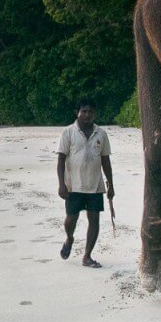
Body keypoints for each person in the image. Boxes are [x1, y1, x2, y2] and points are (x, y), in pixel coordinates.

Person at [56, 98, 114, 269]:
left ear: (94, 113)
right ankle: (70, 238)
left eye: (90, 111)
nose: (87, 114)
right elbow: (60, 160)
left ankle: (87, 256)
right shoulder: (68, 132)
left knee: (94, 220)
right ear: (78, 113)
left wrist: (110, 185)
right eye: (84, 111)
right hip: (73, 185)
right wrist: (61, 184)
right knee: (71, 219)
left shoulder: (101, 134)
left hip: (95, 185)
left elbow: (106, 161)